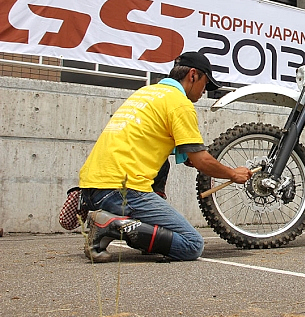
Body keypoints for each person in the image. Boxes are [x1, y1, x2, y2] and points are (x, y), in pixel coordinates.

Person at [79, 52, 253, 262]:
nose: (204, 91)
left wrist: (195, 158)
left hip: (91, 188)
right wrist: (232, 174)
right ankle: (113, 224)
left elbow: (175, 150)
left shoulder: (146, 93)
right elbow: (201, 161)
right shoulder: (179, 103)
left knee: (163, 164)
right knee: (191, 245)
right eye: (205, 83)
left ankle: (112, 227)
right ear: (192, 75)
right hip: (123, 189)